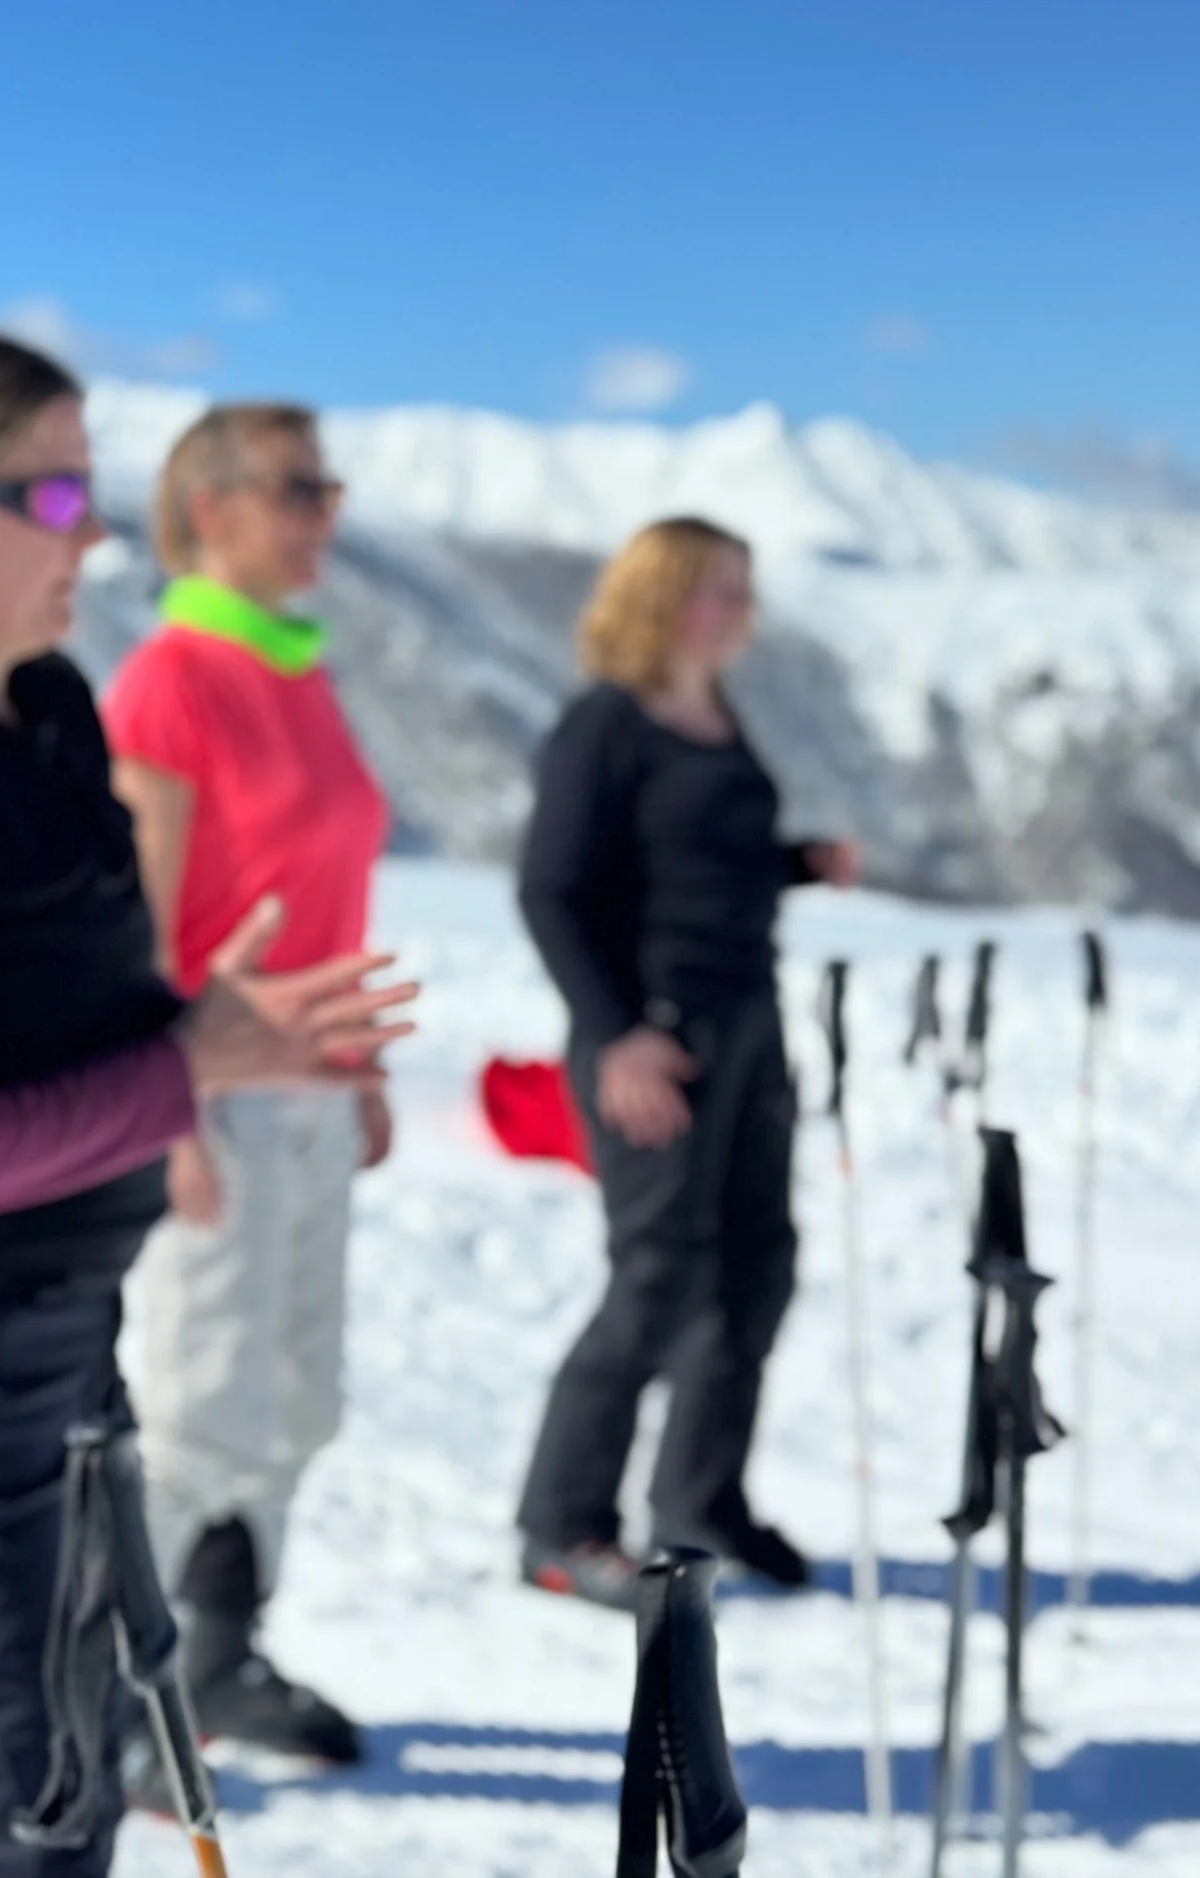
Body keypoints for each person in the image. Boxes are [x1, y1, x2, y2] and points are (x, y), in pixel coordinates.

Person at [0, 330, 413, 1877]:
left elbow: (73, 1006)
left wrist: (217, 1027)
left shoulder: (45, 704)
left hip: (59, 1323)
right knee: (14, 1819)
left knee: (79, 1788)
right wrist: (197, 1070)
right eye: (52, 498)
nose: (97, 534)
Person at [100, 404, 388, 1763]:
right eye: (298, 489)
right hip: (215, 1091)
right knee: (198, 1410)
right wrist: (162, 1113)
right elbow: (145, 918)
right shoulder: (172, 678)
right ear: (209, 508)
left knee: (292, 1394)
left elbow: (323, 892)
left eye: (329, 489)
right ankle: (117, 1695)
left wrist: (360, 1068)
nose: (325, 513)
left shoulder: (300, 669)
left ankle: (218, 1661)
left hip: (313, 1090)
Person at [511, 516, 860, 1608]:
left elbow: (699, 862)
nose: (742, 613)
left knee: (754, 1270)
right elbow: (552, 889)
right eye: (723, 591)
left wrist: (793, 864)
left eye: (745, 591)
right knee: (656, 1280)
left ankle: (700, 1502)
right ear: (662, 597)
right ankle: (562, 1528)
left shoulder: (713, 713)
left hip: (745, 1027)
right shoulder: (602, 725)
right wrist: (618, 1034)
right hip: (653, 1035)